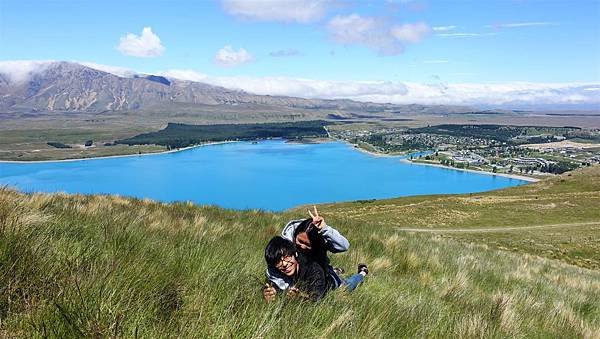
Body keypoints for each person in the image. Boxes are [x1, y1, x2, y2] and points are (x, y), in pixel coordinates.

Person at [266, 206, 350, 291]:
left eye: (307, 244)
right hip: (301, 276)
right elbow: (273, 263)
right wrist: (288, 288)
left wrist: (324, 229)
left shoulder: (321, 239)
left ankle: (362, 273)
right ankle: (337, 270)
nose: (302, 246)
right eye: (300, 241)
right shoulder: (287, 243)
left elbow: (343, 246)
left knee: (347, 286)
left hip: (324, 274)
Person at [263, 236, 368, 302]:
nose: (284, 264)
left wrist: (301, 298)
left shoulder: (313, 269)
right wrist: (272, 293)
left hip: (332, 284)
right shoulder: (275, 270)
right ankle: (335, 270)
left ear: (295, 254)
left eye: (286, 257)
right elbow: (275, 286)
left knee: (348, 284)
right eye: (278, 261)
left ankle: (362, 273)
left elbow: (317, 297)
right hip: (318, 276)